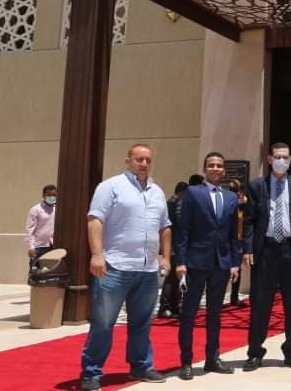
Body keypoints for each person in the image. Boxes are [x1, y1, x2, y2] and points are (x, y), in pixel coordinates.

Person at [79, 143, 171, 391]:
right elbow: (95, 219)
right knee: (103, 322)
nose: (144, 163)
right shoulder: (110, 187)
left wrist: (165, 257)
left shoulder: (157, 191)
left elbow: (165, 226)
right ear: (128, 160)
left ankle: (140, 366)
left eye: (148, 160)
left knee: (142, 323)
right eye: (139, 159)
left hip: (147, 269)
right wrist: (97, 255)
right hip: (115, 267)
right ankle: (91, 373)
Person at [242, 143, 291, 372]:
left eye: (286, 157)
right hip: (266, 250)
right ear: (270, 160)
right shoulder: (257, 185)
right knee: (261, 303)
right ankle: (255, 352)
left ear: (290, 159)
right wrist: (248, 249)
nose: (282, 160)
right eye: (278, 157)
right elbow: (249, 221)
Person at [176, 153, 242, 380]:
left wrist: (234, 263)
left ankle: (212, 358)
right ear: (205, 169)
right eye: (211, 165)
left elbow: (234, 234)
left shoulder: (231, 197)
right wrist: (181, 262)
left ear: (224, 170)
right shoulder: (193, 193)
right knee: (189, 314)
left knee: (215, 314)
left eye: (219, 166)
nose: (215, 168)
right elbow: (183, 229)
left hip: (221, 264)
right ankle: (186, 362)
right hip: (195, 263)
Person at [158, 182, 188, 318]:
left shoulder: (169, 202)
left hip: (172, 245)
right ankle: (166, 306)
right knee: (171, 278)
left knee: (174, 278)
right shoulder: (176, 204)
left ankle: (172, 306)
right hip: (174, 246)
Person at [224, 179, 248, 306]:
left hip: (237, 240)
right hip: (228, 240)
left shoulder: (242, 202)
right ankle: (224, 297)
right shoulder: (230, 201)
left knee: (236, 269)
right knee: (226, 270)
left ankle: (234, 297)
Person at [26, 184, 57, 269]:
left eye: (54, 195)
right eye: (49, 195)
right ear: (43, 195)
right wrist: (31, 247)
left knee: (50, 272)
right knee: (35, 272)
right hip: (39, 247)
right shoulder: (36, 210)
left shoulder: (57, 209)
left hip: (53, 246)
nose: (52, 197)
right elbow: (30, 230)